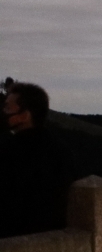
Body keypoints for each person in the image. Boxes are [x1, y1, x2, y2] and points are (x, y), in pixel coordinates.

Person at [0, 81, 76, 239]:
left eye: (7, 107)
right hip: (53, 238)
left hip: (13, 241)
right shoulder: (61, 149)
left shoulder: (11, 151)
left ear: (25, 116)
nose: (3, 111)